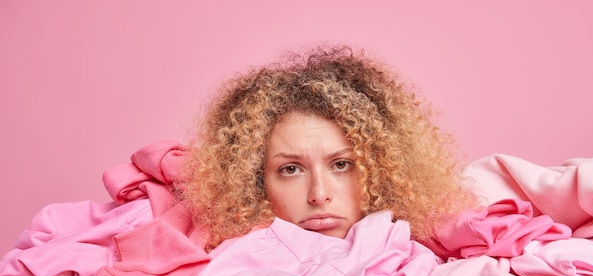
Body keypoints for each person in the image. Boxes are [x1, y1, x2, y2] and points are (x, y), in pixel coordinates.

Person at [181, 44, 477, 250]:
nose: (319, 195)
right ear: (255, 184)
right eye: (291, 169)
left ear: (384, 170)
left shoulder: (447, 263)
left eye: (341, 164)